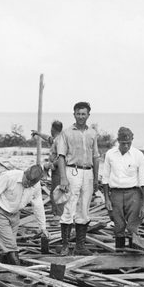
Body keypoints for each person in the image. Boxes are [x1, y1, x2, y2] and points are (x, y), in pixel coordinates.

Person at [56, 102, 101, 256]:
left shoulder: (92, 133)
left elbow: (95, 156)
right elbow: (61, 156)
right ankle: (65, 246)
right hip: (72, 171)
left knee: (84, 209)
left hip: (88, 173)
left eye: (84, 114)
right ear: (74, 114)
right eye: (78, 113)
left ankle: (80, 246)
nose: (81, 116)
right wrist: (63, 178)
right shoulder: (66, 133)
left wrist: (96, 178)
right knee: (69, 207)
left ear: (88, 115)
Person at [0, 164, 49, 265]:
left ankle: (3, 273)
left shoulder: (36, 186)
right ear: (25, 173)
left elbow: (38, 205)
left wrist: (43, 227)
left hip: (15, 215)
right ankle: (18, 271)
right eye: (26, 181)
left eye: (30, 184)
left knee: (4, 248)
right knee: (11, 246)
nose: (27, 185)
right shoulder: (9, 177)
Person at [101, 127, 144, 251]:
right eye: (123, 143)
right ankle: (120, 255)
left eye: (129, 143)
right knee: (119, 227)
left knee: (132, 228)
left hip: (133, 194)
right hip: (116, 194)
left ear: (132, 140)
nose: (126, 146)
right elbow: (105, 179)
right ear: (118, 141)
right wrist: (106, 199)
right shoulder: (110, 154)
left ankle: (134, 254)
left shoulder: (138, 155)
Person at [31, 120, 64, 217]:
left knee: (57, 193)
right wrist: (38, 133)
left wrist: (52, 164)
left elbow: (62, 157)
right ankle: (57, 214)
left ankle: (59, 215)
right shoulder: (56, 139)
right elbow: (47, 138)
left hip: (59, 171)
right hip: (55, 171)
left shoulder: (60, 141)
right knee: (54, 193)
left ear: (52, 129)